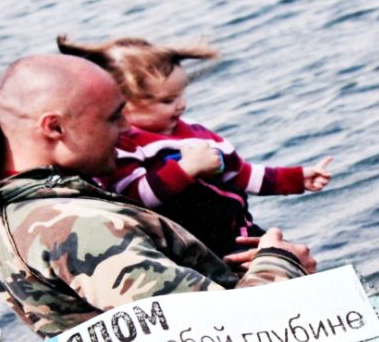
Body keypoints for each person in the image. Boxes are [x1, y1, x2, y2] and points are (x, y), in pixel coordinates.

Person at [0, 54, 317, 338]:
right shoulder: (74, 226)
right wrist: (282, 262)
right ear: (55, 127)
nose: (128, 129)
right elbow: (218, 331)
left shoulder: (0, 210)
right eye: (113, 117)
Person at [55, 36, 333, 257]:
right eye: (167, 100)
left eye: (180, 94)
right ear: (123, 105)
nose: (181, 105)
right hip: (196, 249)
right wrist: (186, 169)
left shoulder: (194, 132)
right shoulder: (126, 147)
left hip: (240, 232)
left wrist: (297, 179)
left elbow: (241, 174)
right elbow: (135, 196)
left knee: (288, 260)